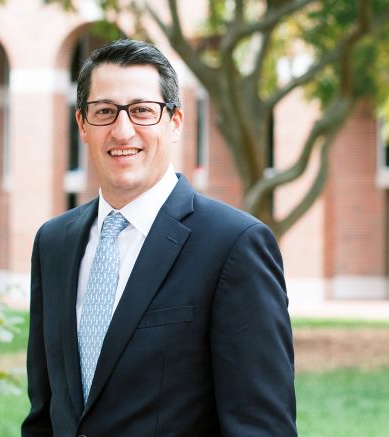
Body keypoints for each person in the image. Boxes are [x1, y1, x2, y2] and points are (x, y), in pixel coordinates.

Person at [21, 39, 296, 436]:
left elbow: (261, 427)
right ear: (82, 124)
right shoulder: (53, 243)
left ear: (175, 122)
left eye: (142, 111)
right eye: (104, 111)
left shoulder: (234, 245)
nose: (122, 131)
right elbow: (44, 415)